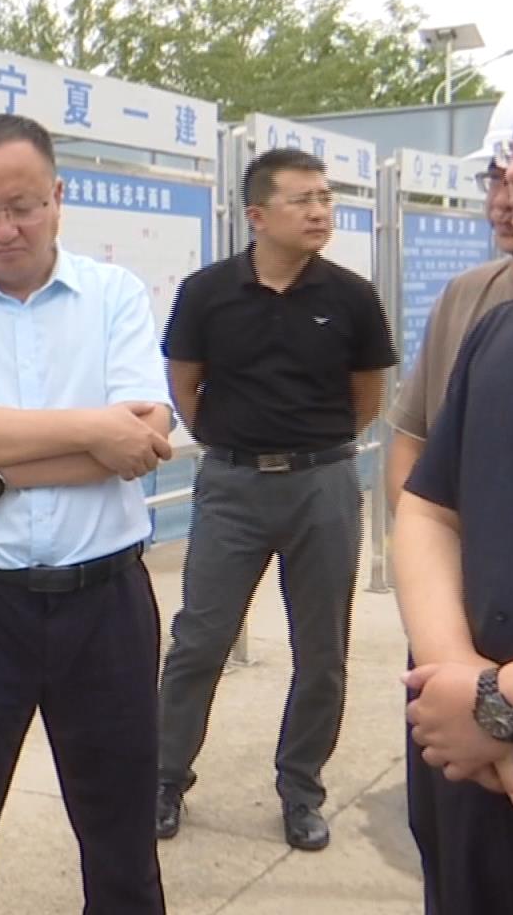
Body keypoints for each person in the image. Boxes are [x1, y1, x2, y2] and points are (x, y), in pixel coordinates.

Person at [0, 113, 175, 915]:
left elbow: (145, 440)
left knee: (121, 844)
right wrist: (92, 429)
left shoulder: (113, 294)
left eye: (22, 205)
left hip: (106, 605)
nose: (2, 228)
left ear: (58, 196)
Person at [154, 148, 397, 851]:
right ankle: (165, 778)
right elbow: (186, 384)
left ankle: (300, 788)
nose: (321, 211)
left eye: (326, 199)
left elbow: (366, 398)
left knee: (322, 650)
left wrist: (310, 452)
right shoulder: (207, 292)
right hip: (231, 488)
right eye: (304, 200)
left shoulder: (351, 296)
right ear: (258, 216)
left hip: (323, 486)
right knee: (199, 640)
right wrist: (238, 445)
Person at [384, 62, 513, 908]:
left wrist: (504, 702)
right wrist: (459, 680)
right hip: (476, 773)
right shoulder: (500, 331)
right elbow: (427, 500)